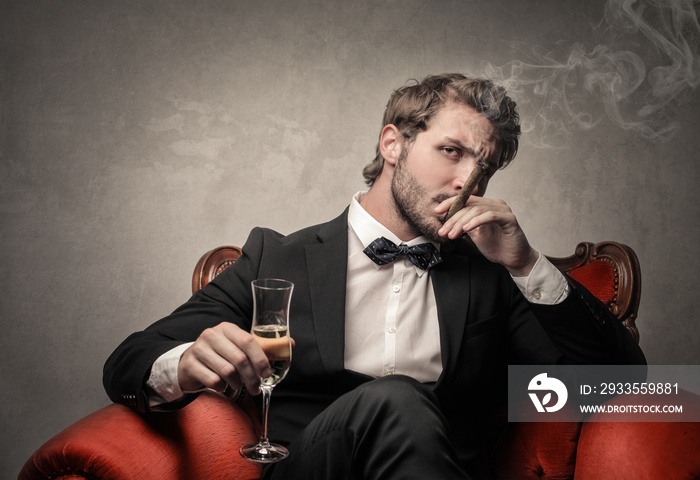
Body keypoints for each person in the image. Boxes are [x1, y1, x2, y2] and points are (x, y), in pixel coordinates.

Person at [103, 73, 645, 479]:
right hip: (309, 469)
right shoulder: (278, 257)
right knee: (396, 397)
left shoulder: (490, 278)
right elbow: (128, 361)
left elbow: (622, 384)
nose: (466, 182)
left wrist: (526, 265)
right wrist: (187, 361)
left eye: (484, 168)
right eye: (451, 152)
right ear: (393, 143)